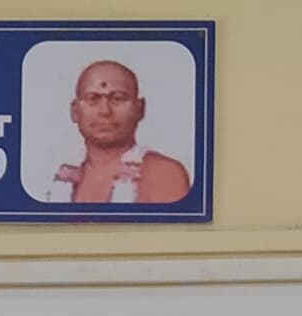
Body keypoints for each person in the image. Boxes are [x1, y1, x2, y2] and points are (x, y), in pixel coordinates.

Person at [47, 58, 194, 206]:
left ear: (140, 108)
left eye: (118, 98)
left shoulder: (164, 174)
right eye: (93, 99)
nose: (105, 111)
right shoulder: (61, 175)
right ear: (74, 111)